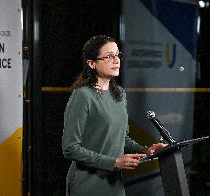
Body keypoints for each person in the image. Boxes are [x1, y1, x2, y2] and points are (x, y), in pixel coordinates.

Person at [62, 35, 166, 196]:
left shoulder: (120, 95)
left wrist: (146, 150)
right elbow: (70, 148)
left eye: (118, 55)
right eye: (109, 56)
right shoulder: (82, 96)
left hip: (114, 183)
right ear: (91, 63)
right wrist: (114, 162)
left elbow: (122, 138)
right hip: (87, 185)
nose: (116, 60)